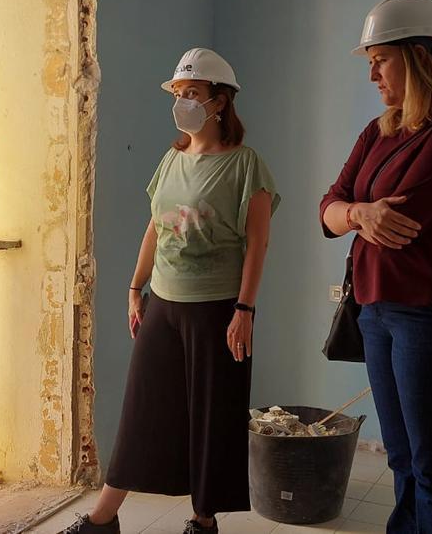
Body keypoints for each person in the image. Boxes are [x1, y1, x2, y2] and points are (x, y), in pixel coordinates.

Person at [63, 48, 279, 534]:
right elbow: (156, 227)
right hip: (164, 301)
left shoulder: (247, 166)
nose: (182, 102)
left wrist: (245, 309)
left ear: (219, 102)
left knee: (210, 418)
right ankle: (103, 519)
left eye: (192, 94)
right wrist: (135, 287)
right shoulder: (171, 158)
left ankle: (203, 522)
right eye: (178, 94)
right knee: (141, 410)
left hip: (218, 310)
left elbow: (258, 243)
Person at [319, 0, 432, 533]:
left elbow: (403, 221)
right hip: (376, 310)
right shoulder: (379, 130)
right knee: (401, 459)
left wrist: (356, 213)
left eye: (381, 59)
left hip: (431, 313)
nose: (372, 73)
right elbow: (327, 210)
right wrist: (357, 212)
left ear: (418, 56)